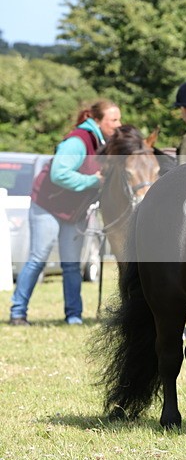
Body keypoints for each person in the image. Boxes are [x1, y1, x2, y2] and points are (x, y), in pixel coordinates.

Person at [9, 99, 122, 326]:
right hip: (47, 207)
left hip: (73, 212)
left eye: (119, 119)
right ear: (97, 120)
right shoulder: (78, 141)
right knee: (38, 258)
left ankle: (74, 316)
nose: (119, 125)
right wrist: (94, 181)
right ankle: (18, 313)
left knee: (71, 265)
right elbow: (59, 174)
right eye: (113, 120)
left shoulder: (105, 143)